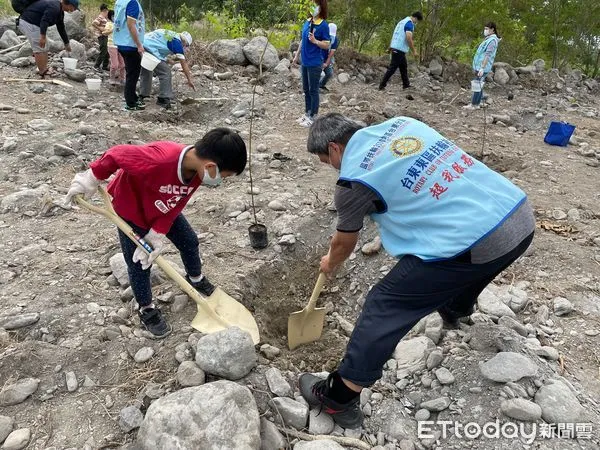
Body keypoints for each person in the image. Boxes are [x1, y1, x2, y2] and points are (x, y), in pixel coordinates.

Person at [299, 113, 535, 428]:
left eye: (324, 161)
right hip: (518, 217)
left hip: (478, 239)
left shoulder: (354, 181)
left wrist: (331, 261)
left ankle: (339, 397)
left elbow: (344, 242)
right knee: (466, 268)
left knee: (385, 302)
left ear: (334, 149)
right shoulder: (403, 125)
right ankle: (456, 308)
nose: (330, 167)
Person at [64, 129, 248, 338]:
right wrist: (91, 177)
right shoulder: (161, 160)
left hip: (162, 208)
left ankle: (195, 279)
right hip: (131, 211)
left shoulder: (196, 172)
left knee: (189, 240)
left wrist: (158, 231)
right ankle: (147, 308)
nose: (221, 181)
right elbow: (117, 154)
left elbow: (178, 201)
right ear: (211, 166)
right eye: (224, 176)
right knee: (139, 263)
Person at [292, 0, 330, 128]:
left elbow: (327, 44)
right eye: (312, 4)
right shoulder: (307, 22)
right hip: (305, 61)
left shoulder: (323, 25)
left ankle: (313, 116)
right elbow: (303, 39)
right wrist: (297, 55)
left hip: (315, 62)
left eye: (316, 4)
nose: (314, 7)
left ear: (321, 7)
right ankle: (307, 113)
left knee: (313, 90)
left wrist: (315, 41)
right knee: (306, 89)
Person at [17, 0, 76, 78]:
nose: (74, 10)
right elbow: (44, 21)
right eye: (74, 7)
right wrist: (42, 37)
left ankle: (43, 69)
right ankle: (42, 71)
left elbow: (61, 27)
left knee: (45, 46)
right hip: (29, 22)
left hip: (34, 24)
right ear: (69, 4)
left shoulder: (60, 11)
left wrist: (66, 43)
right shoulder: (55, 7)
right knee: (39, 47)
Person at [140, 29, 196, 110]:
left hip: (141, 43)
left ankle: (143, 95)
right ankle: (163, 98)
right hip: (150, 48)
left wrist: (168, 60)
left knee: (147, 69)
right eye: (186, 46)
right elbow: (184, 64)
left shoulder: (172, 34)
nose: (185, 48)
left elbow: (159, 44)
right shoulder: (177, 43)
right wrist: (189, 80)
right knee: (165, 72)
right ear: (185, 42)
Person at [378, 11, 423, 91]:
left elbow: (395, 34)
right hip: (399, 49)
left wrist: (390, 47)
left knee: (403, 67)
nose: (416, 23)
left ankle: (406, 85)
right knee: (392, 68)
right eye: (417, 21)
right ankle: (381, 85)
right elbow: (408, 38)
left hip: (397, 48)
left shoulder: (401, 22)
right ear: (415, 18)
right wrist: (414, 51)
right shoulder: (409, 23)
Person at [113, 0, 145, 111]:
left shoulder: (120, 1)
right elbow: (131, 25)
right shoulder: (132, 3)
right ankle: (130, 103)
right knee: (133, 74)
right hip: (130, 43)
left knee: (131, 71)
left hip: (121, 41)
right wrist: (139, 44)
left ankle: (133, 97)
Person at [464, 22, 500, 110]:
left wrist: (482, 68)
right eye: (485, 28)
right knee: (479, 84)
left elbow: (487, 55)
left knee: (477, 84)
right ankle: (477, 103)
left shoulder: (492, 41)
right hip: (479, 66)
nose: (485, 30)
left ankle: (474, 104)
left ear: (492, 29)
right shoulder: (488, 39)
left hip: (483, 67)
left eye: (487, 29)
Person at [104, 10, 125, 85]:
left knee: (122, 64)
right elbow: (104, 33)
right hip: (111, 45)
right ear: (110, 17)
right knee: (115, 65)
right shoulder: (109, 24)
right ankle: (112, 79)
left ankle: (122, 79)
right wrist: (113, 29)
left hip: (120, 45)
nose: (114, 17)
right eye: (113, 16)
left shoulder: (120, 24)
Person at [319, 22, 338, 91]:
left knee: (329, 73)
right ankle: (313, 87)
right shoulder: (321, 36)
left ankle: (321, 85)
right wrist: (321, 63)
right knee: (318, 73)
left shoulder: (335, 40)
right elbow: (318, 50)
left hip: (327, 57)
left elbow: (331, 54)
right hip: (318, 56)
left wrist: (326, 64)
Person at [92, 3, 110, 72]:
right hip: (101, 36)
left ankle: (105, 66)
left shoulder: (104, 18)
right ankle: (96, 65)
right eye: (107, 11)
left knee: (106, 51)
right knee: (103, 50)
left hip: (104, 35)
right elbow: (94, 23)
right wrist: (100, 28)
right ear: (105, 10)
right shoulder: (100, 17)